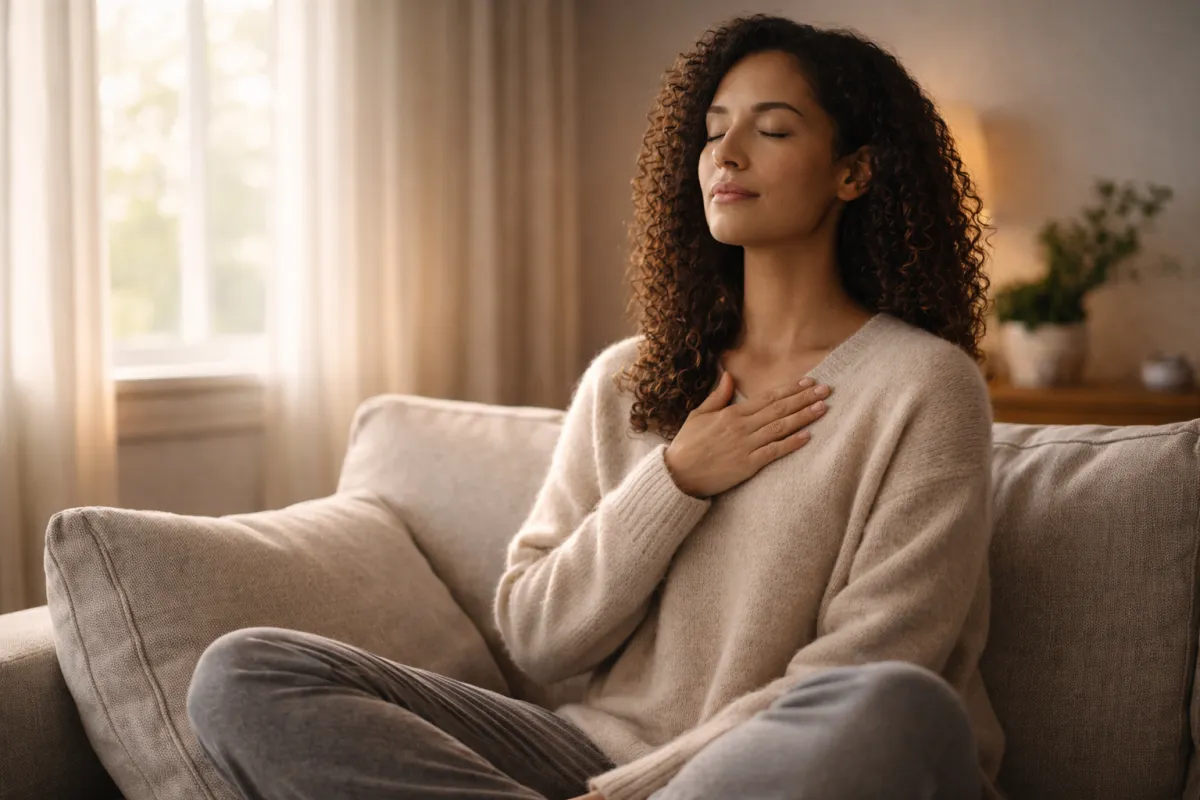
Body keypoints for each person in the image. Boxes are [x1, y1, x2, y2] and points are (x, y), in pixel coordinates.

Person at [186, 13, 1005, 800]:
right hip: (584, 753)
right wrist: (675, 479)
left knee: (900, 706)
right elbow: (540, 637)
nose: (728, 151)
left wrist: (643, 790)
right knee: (245, 673)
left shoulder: (923, 387)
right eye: (714, 128)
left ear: (853, 171)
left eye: (774, 129)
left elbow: (870, 663)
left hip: (776, 768)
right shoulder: (630, 380)